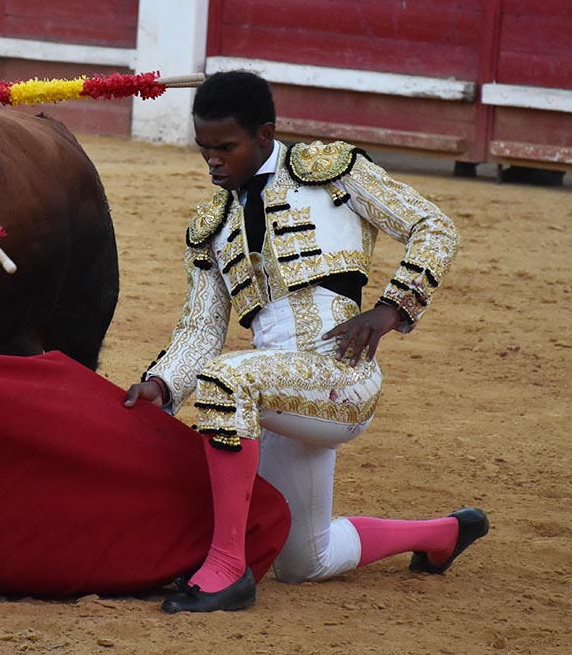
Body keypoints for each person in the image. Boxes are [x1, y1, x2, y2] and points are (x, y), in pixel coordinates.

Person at [124, 70, 488, 614]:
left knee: (226, 378)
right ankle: (440, 535)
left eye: (226, 147)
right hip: (275, 394)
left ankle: (227, 571)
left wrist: (389, 310)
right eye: (205, 149)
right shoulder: (211, 226)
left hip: (340, 375)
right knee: (304, 561)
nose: (213, 161)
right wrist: (161, 383)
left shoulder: (331, 172)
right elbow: (201, 327)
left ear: (266, 134)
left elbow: (433, 226)